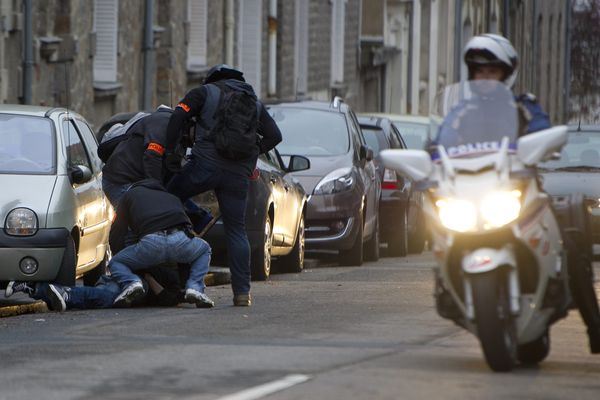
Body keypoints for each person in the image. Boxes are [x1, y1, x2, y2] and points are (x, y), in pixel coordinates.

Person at [436, 32, 600, 353]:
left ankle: (594, 326)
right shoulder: (461, 111)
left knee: (571, 240)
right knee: (441, 231)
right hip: (471, 194)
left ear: (506, 74)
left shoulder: (524, 106)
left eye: (492, 72)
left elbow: (542, 132)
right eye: (479, 72)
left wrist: (544, 144)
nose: (485, 79)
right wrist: (427, 166)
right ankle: (449, 290)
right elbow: (439, 143)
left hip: (517, 193)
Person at [163, 64, 282, 307]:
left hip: (204, 165)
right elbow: (275, 136)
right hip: (238, 174)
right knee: (236, 230)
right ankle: (242, 294)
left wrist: (169, 154)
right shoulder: (254, 103)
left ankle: (184, 250)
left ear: (213, 79)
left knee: (168, 197)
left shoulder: (204, 92)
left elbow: (178, 116)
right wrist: (252, 153)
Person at [108, 178, 214, 308]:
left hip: (151, 243)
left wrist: (127, 263)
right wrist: (184, 280)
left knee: (116, 262)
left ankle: (132, 283)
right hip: (180, 240)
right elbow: (187, 227)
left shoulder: (129, 195)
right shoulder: (172, 197)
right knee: (204, 249)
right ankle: (194, 287)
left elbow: (117, 233)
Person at [4, 266, 184, 312]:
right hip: (125, 283)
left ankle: (32, 287)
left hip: (128, 286)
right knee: (105, 298)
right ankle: (65, 294)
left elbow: (167, 299)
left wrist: (149, 277)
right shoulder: (163, 265)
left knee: (94, 299)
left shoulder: (178, 282)